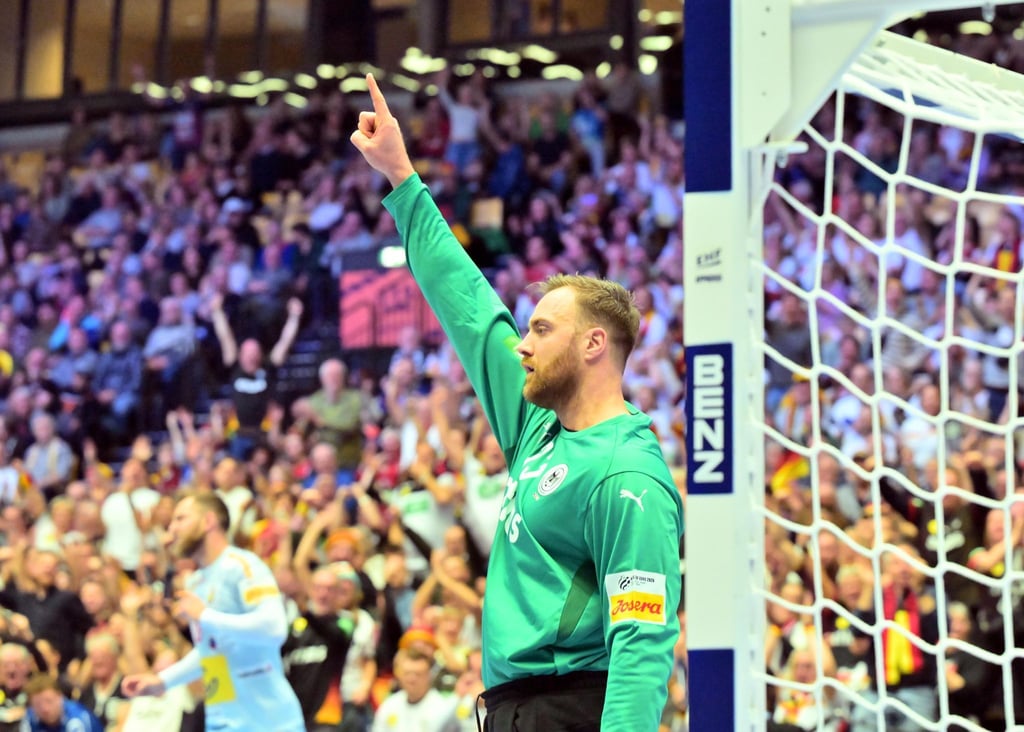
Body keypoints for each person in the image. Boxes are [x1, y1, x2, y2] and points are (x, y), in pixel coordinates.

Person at [351, 75, 684, 732]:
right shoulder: (539, 426)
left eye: (540, 330)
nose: (523, 345)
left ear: (594, 344)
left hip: (573, 710)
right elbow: (472, 311)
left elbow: (643, 648)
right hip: (511, 708)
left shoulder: (627, 475)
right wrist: (401, 177)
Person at [119, 492, 304, 731]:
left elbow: (275, 628)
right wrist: (162, 681)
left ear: (208, 521)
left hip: (269, 723)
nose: (172, 529)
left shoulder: (242, 565)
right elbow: (211, 653)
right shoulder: (196, 582)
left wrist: (206, 615)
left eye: (180, 519)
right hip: (224, 720)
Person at [21, 673, 102, 732]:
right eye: (37, 705)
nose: (44, 709)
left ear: (60, 697)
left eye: (49, 701)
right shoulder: (30, 717)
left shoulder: (77, 719)